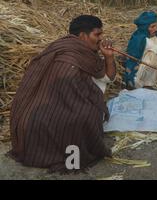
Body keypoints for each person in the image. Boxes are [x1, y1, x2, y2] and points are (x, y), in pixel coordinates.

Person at [9, 15, 116, 171]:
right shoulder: (69, 54)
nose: (101, 38)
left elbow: (107, 77)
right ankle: (69, 157)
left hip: (37, 113)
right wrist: (88, 105)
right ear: (82, 36)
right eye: (97, 34)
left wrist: (109, 57)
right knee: (86, 117)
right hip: (47, 110)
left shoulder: (82, 52)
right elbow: (67, 89)